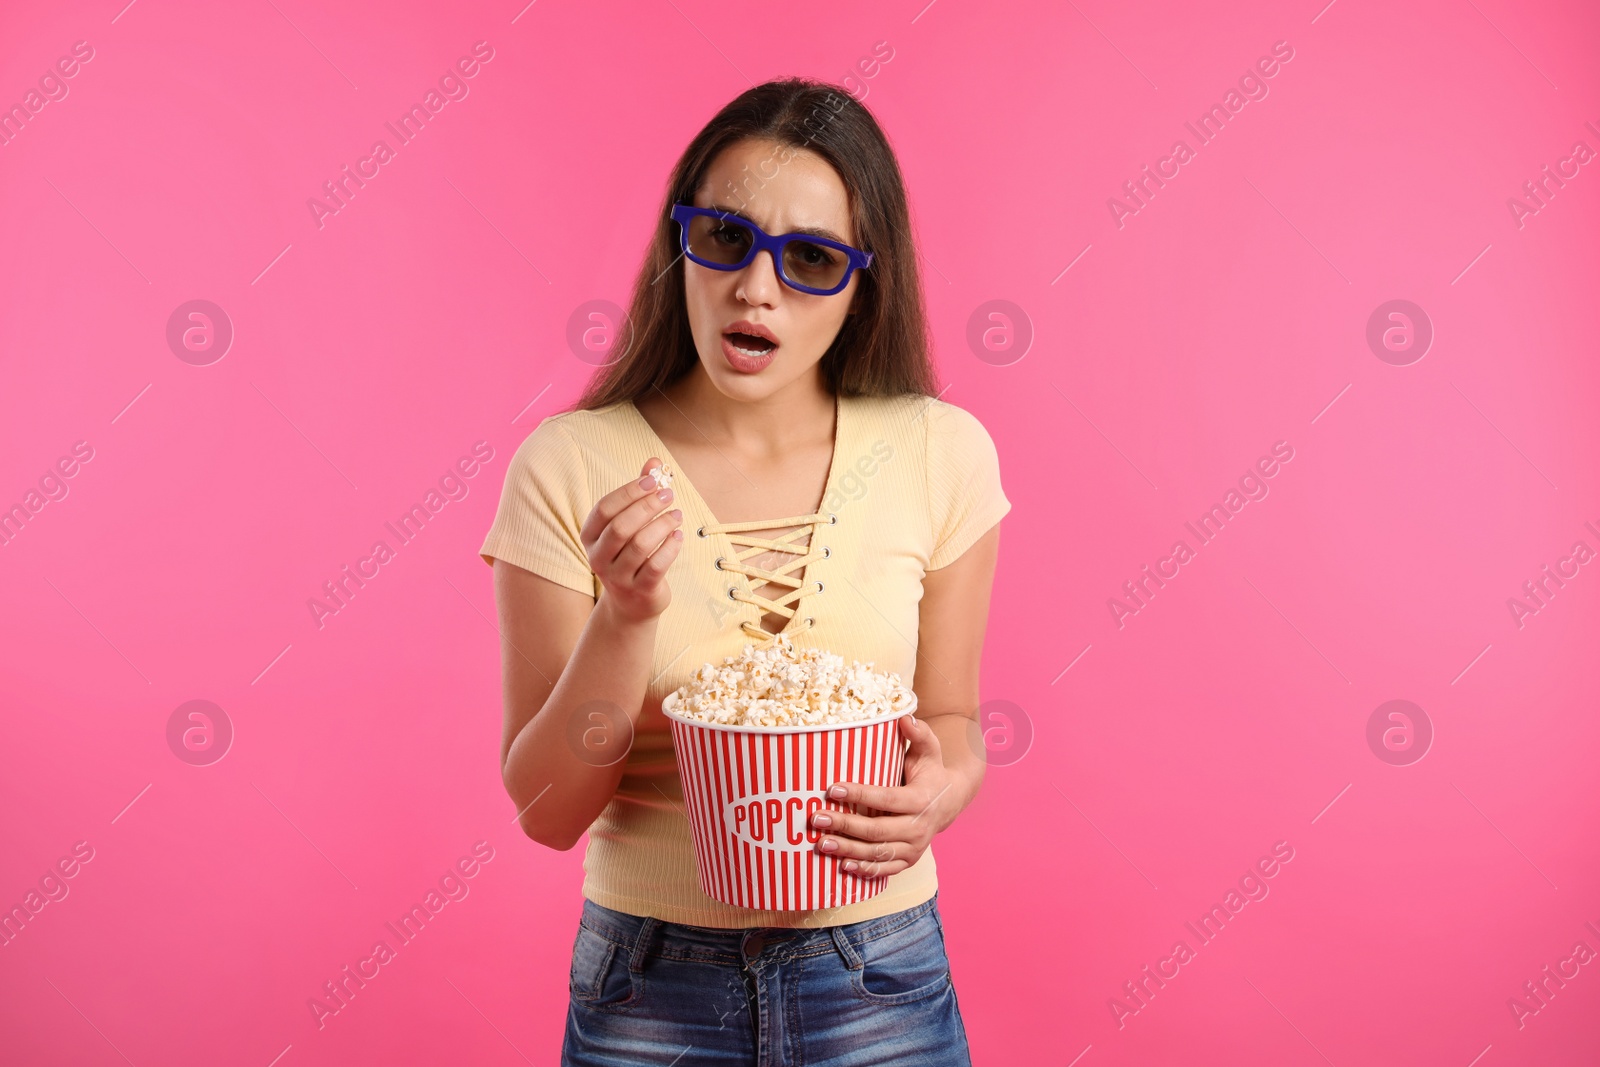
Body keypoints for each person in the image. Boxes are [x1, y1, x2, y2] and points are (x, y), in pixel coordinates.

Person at [479, 77, 1010, 1066]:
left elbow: (952, 721)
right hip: (647, 983)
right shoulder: (568, 465)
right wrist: (625, 615)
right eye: (723, 236)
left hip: (877, 974)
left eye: (808, 257)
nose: (753, 288)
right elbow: (548, 809)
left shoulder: (944, 452)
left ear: (865, 279)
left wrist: (941, 788)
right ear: (678, 243)